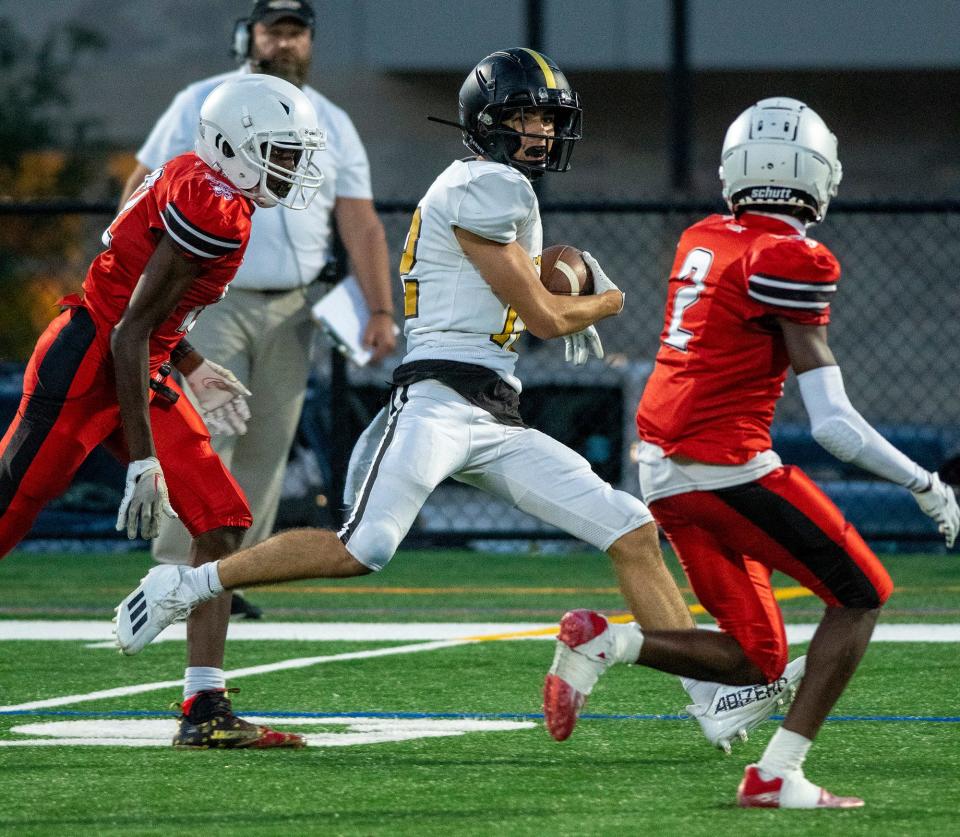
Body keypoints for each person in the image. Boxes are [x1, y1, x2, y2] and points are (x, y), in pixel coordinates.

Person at [113, 48, 800, 751]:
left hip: (494, 411)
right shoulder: (487, 185)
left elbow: (508, 284)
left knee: (629, 526)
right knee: (365, 546)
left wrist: (558, 260)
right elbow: (542, 317)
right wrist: (607, 298)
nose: (543, 129)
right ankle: (187, 584)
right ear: (493, 121)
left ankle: (709, 697)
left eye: (548, 116)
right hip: (437, 400)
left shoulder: (495, 189)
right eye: (530, 115)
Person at [542, 97, 960, 808]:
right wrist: (924, 481)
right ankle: (776, 774)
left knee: (757, 658)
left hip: (666, 471)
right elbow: (832, 423)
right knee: (862, 597)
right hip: (726, 467)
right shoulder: (792, 256)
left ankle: (603, 642)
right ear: (820, 173)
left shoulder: (704, 235)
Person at [0, 73, 325, 749]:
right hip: (87, 362)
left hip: (136, 359)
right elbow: (125, 328)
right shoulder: (213, 205)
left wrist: (192, 362)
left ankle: (203, 706)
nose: (291, 169)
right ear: (234, 146)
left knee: (224, 519)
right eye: (280, 152)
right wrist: (144, 460)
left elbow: (148, 316)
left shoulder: (205, 181)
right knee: (6, 516)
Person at [117, 0, 396, 620]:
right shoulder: (202, 100)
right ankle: (170, 574)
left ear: (311, 42)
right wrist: (138, 267)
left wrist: (380, 306)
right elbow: (141, 182)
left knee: (269, 440)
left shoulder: (331, 119)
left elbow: (359, 218)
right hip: (209, 297)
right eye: (275, 31)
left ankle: (228, 575)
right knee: (205, 433)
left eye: (297, 33)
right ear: (250, 35)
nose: (286, 44)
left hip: (294, 307)